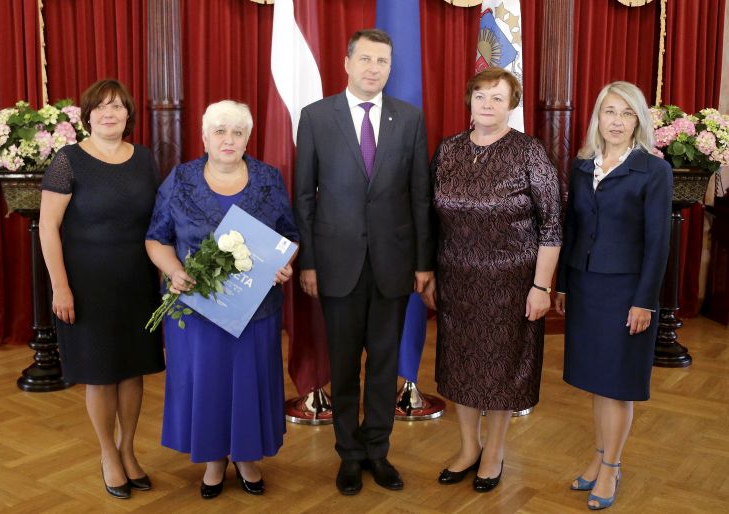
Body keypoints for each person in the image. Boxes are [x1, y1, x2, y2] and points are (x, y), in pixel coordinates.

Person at [294, 28, 434, 495]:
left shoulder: (409, 118)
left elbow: (420, 196)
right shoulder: (316, 117)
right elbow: (304, 197)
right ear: (347, 63)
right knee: (343, 364)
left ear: (391, 68)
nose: (375, 68)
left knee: (383, 364)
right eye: (367, 59)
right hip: (336, 264)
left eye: (383, 61)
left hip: (394, 264)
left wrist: (423, 262)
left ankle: (377, 450)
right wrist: (309, 263)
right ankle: (349, 455)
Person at [145, 100, 298, 500]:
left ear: (247, 139)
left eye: (237, 132)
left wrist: (283, 264)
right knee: (206, 382)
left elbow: (289, 235)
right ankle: (213, 460)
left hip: (255, 309)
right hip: (196, 306)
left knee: (250, 381)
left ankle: (247, 457)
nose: (228, 139)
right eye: (220, 131)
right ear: (204, 137)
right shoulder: (180, 179)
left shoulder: (268, 178)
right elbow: (157, 237)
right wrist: (173, 270)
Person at [425, 67, 562, 493]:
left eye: (497, 97)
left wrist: (541, 286)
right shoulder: (448, 150)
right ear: (470, 100)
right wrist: (430, 273)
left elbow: (552, 225)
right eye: (480, 95)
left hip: (512, 286)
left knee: (502, 371)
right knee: (462, 366)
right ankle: (469, 448)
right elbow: (430, 218)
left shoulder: (528, 152)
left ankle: (495, 452)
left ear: (511, 105)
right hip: (457, 282)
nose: (487, 104)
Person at [39, 79, 165, 499]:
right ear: (88, 115)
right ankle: (108, 454)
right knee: (100, 373)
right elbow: (49, 228)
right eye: (100, 107)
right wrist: (60, 287)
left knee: (132, 370)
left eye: (117, 106)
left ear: (129, 115)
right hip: (86, 285)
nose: (109, 113)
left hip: (137, 282)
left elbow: (158, 221)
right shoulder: (68, 160)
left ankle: (128, 449)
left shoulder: (144, 159)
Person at [554, 81, 672, 510]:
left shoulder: (653, 170)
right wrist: (563, 284)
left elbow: (657, 243)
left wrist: (645, 301)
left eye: (626, 113)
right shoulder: (582, 165)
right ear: (597, 118)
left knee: (618, 384)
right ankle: (599, 455)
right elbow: (572, 227)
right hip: (586, 286)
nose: (617, 121)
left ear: (638, 120)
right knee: (597, 382)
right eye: (610, 111)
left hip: (627, 292)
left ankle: (612, 466)